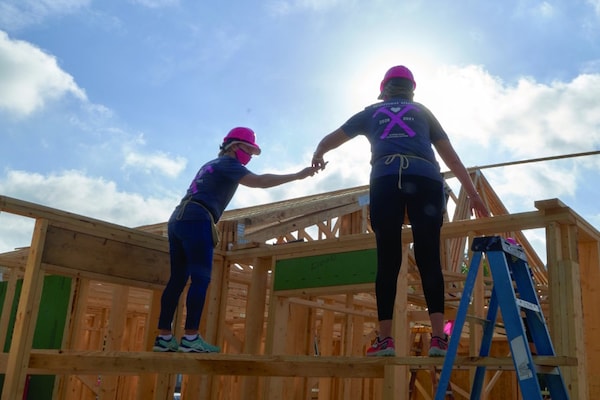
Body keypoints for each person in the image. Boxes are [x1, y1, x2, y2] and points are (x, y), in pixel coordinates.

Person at [311, 65, 489, 357]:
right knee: (429, 255)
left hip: (386, 178)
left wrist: (318, 154)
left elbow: (331, 139)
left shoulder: (370, 112)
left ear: (384, 89)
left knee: (388, 258)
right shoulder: (422, 112)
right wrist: (472, 195)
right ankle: (438, 339)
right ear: (412, 89)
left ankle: (385, 341)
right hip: (426, 179)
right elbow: (452, 159)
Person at [154, 127, 319, 353]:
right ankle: (190, 338)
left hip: (178, 219)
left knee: (178, 279)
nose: (249, 156)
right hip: (198, 217)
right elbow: (259, 181)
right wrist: (297, 176)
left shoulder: (210, 165)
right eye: (248, 150)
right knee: (200, 279)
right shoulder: (229, 164)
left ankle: (164, 337)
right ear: (234, 146)